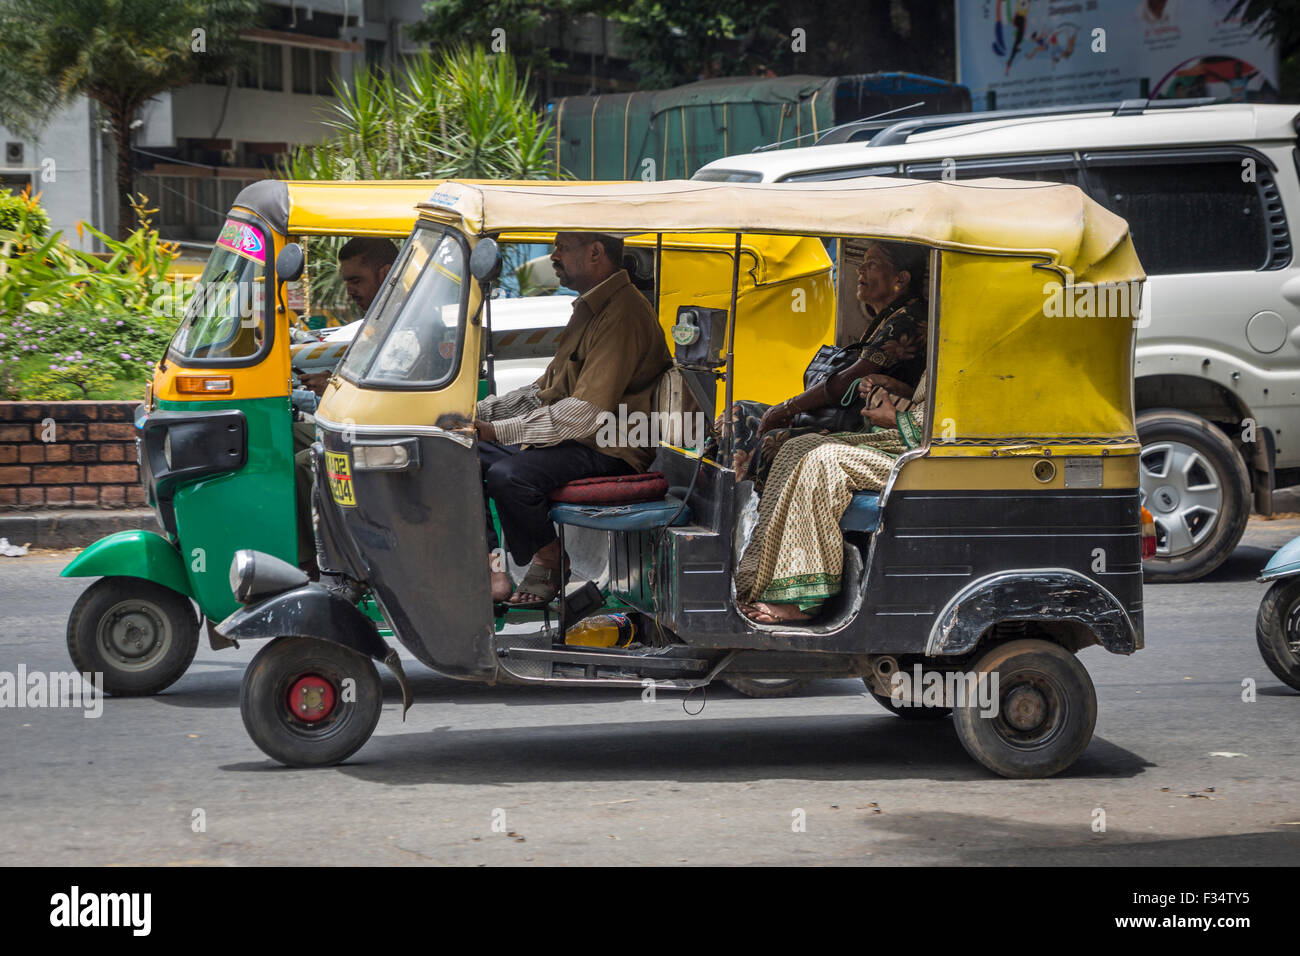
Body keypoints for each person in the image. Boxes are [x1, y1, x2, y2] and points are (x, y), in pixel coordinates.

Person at [474, 232, 672, 605]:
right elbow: (544, 391)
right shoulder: (588, 309)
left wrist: (499, 430)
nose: (554, 256)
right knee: (466, 452)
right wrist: (477, 415)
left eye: (562, 247)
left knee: (508, 477)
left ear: (596, 253)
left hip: (613, 447)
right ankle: (490, 568)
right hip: (579, 441)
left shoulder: (623, 313)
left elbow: (585, 413)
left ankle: (549, 558)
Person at [727, 239, 928, 490]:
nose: (860, 270)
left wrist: (786, 408)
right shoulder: (888, 316)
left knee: (774, 440)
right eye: (862, 263)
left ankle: (752, 511)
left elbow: (843, 385)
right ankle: (729, 499)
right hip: (835, 415)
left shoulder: (908, 319)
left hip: (857, 423)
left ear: (901, 277)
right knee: (737, 412)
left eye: (872, 265)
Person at [735, 372, 928, 624]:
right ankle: (755, 577)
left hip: (929, 457)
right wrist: (894, 386)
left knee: (824, 460)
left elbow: (959, 427)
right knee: (796, 447)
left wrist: (897, 420)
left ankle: (801, 599)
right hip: (898, 442)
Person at [293, 237, 398, 569]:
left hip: (383, 437)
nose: (351, 290)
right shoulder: (376, 318)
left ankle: (314, 566)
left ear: (386, 273)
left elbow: (391, 393)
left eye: (357, 280)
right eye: (347, 282)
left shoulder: (404, 320)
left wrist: (332, 385)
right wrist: (330, 381)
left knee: (299, 465)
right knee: (285, 437)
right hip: (357, 426)